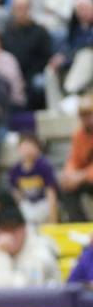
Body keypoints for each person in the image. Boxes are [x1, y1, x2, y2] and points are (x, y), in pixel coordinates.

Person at [0, 205, 60, 288]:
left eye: (12, 229)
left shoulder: (40, 251)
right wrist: (0, 254)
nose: (8, 236)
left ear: (24, 229)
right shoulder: (0, 251)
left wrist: (3, 257)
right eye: (4, 230)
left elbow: (18, 292)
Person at [8, 132, 59, 224]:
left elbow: (51, 194)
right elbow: (16, 195)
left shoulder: (44, 166)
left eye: (30, 145)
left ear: (38, 148)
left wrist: (53, 221)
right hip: (28, 205)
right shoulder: (15, 170)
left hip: (43, 203)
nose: (27, 150)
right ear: (19, 148)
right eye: (24, 146)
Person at [59, 92, 93, 221]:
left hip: (88, 176)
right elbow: (73, 160)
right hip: (87, 179)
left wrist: (81, 176)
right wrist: (69, 174)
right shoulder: (79, 135)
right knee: (66, 186)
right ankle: (80, 225)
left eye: (89, 114)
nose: (87, 119)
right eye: (83, 115)